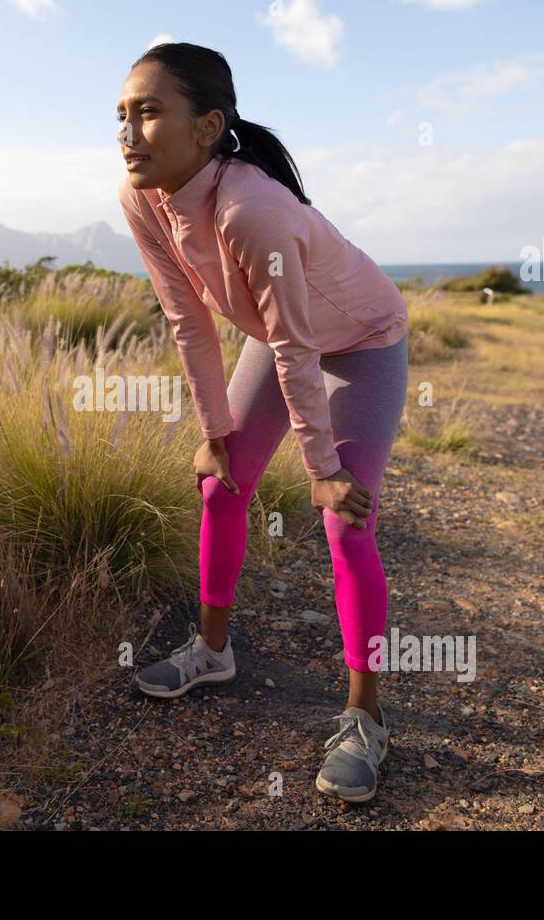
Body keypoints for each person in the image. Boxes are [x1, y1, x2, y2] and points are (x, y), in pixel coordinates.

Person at [116, 42, 409, 802]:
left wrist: (322, 471)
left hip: (362, 342)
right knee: (221, 485)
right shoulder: (141, 198)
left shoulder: (253, 209)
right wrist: (215, 434)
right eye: (121, 115)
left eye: (148, 113)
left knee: (347, 521)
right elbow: (187, 319)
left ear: (209, 126)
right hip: (287, 343)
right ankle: (214, 650)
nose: (127, 132)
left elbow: (294, 345)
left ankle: (363, 717)